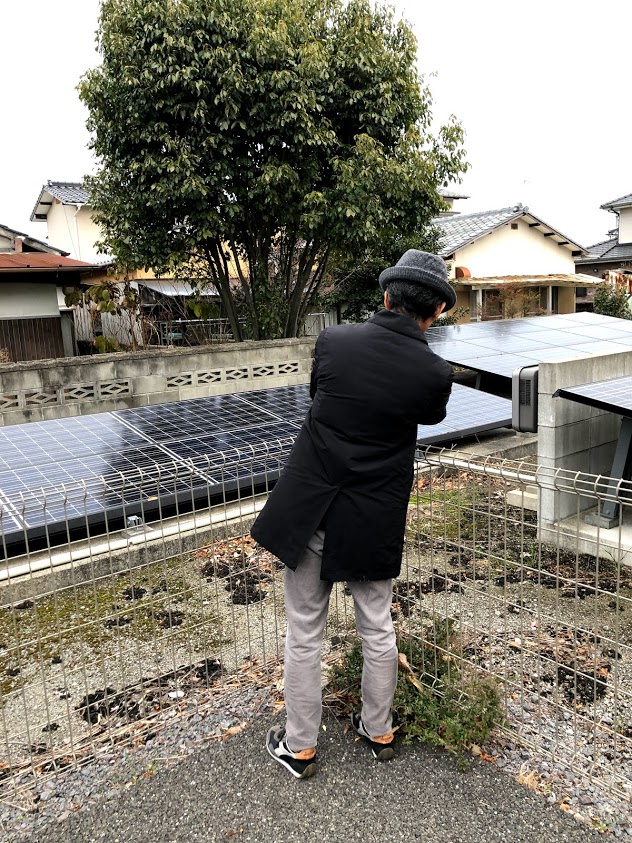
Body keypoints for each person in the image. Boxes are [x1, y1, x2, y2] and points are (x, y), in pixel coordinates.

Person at [251, 249, 455, 779]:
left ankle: (299, 748)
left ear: (386, 296)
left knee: (304, 631)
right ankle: (378, 729)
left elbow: (321, 397)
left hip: (313, 506)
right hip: (372, 514)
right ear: (434, 312)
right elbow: (428, 414)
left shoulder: (334, 342)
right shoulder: (434, 372)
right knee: (377, 626)